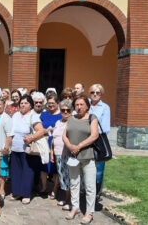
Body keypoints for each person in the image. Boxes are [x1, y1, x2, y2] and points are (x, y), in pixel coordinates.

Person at [63, 95, 99, 224]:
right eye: (77, 105)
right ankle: (75, 207)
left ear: (87, 106)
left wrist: (79, 146)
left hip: (87, 156)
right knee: (74, 183)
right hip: (73, 156)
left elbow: (95, 135)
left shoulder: (92, 118)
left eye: (81, 104)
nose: (79, 107)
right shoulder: (71, 118)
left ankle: (89, 212)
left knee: (89, 186)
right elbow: (64, 135)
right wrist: (70, 146)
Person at [10, 95, 45, 204]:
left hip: (27, 149)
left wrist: (31, 137)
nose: (23, 105)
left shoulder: (33, 116)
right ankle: (17, 192)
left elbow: (41, 131)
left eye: (26, 103)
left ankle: (26, 194)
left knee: (27, 171)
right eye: (21, 103)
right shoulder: (15, 115)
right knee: (16, 171)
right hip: (15, 148)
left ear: (30, 105)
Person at [88, 84, 110, 203]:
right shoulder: (86, 105)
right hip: (85, 139)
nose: (95, 94)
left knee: (99, 169)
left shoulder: (105, 107)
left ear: (101, 94)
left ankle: (96, 194)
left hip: (98, 140)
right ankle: (86, 191)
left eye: (98, 93)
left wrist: (92, 132)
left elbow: (105, 127)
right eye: (92, 92)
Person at [39, 92, 62, 196]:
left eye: (53, 103)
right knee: (44, 166)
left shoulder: (62, 114)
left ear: (57, 103)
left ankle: (54, 189)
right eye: (49, 103)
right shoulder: (43, 114)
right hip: (44, 142)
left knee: (56, 168)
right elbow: (38, 128)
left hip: (57, 143)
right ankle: (44, 187)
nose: (51, 105)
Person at [52, 99, 73, 211]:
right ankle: (66, 199)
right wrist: (51, 152)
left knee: (68, 177)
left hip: (67, 154)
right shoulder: (58, 122)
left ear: (71, 110)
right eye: (63, 110)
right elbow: (54, 139)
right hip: (58, 154)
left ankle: (69, 201)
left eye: (68, 110)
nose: (65, 112)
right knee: (62, 177)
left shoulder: (73, 122)